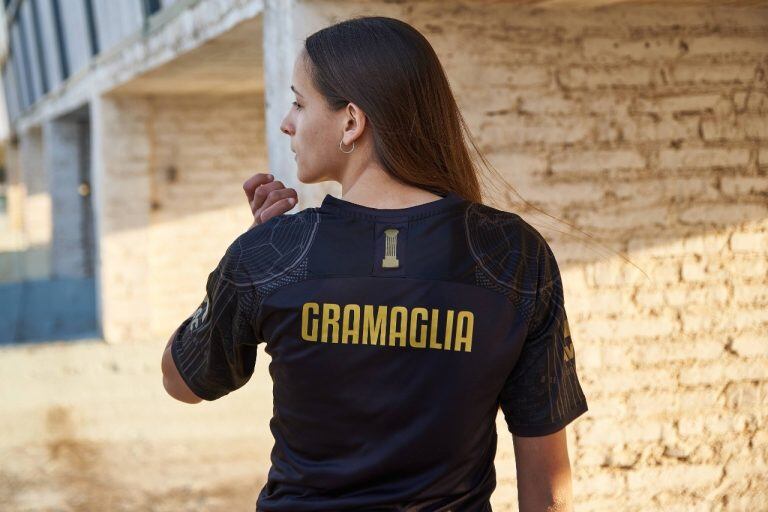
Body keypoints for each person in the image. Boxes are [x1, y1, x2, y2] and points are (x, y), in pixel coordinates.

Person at [161, 15, 588, 512]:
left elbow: (181, 381)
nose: (287, 122)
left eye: (300, 103)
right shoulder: (511, 253)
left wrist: (244, 259)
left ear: (352, 121)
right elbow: (548, 483)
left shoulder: (273, 255)